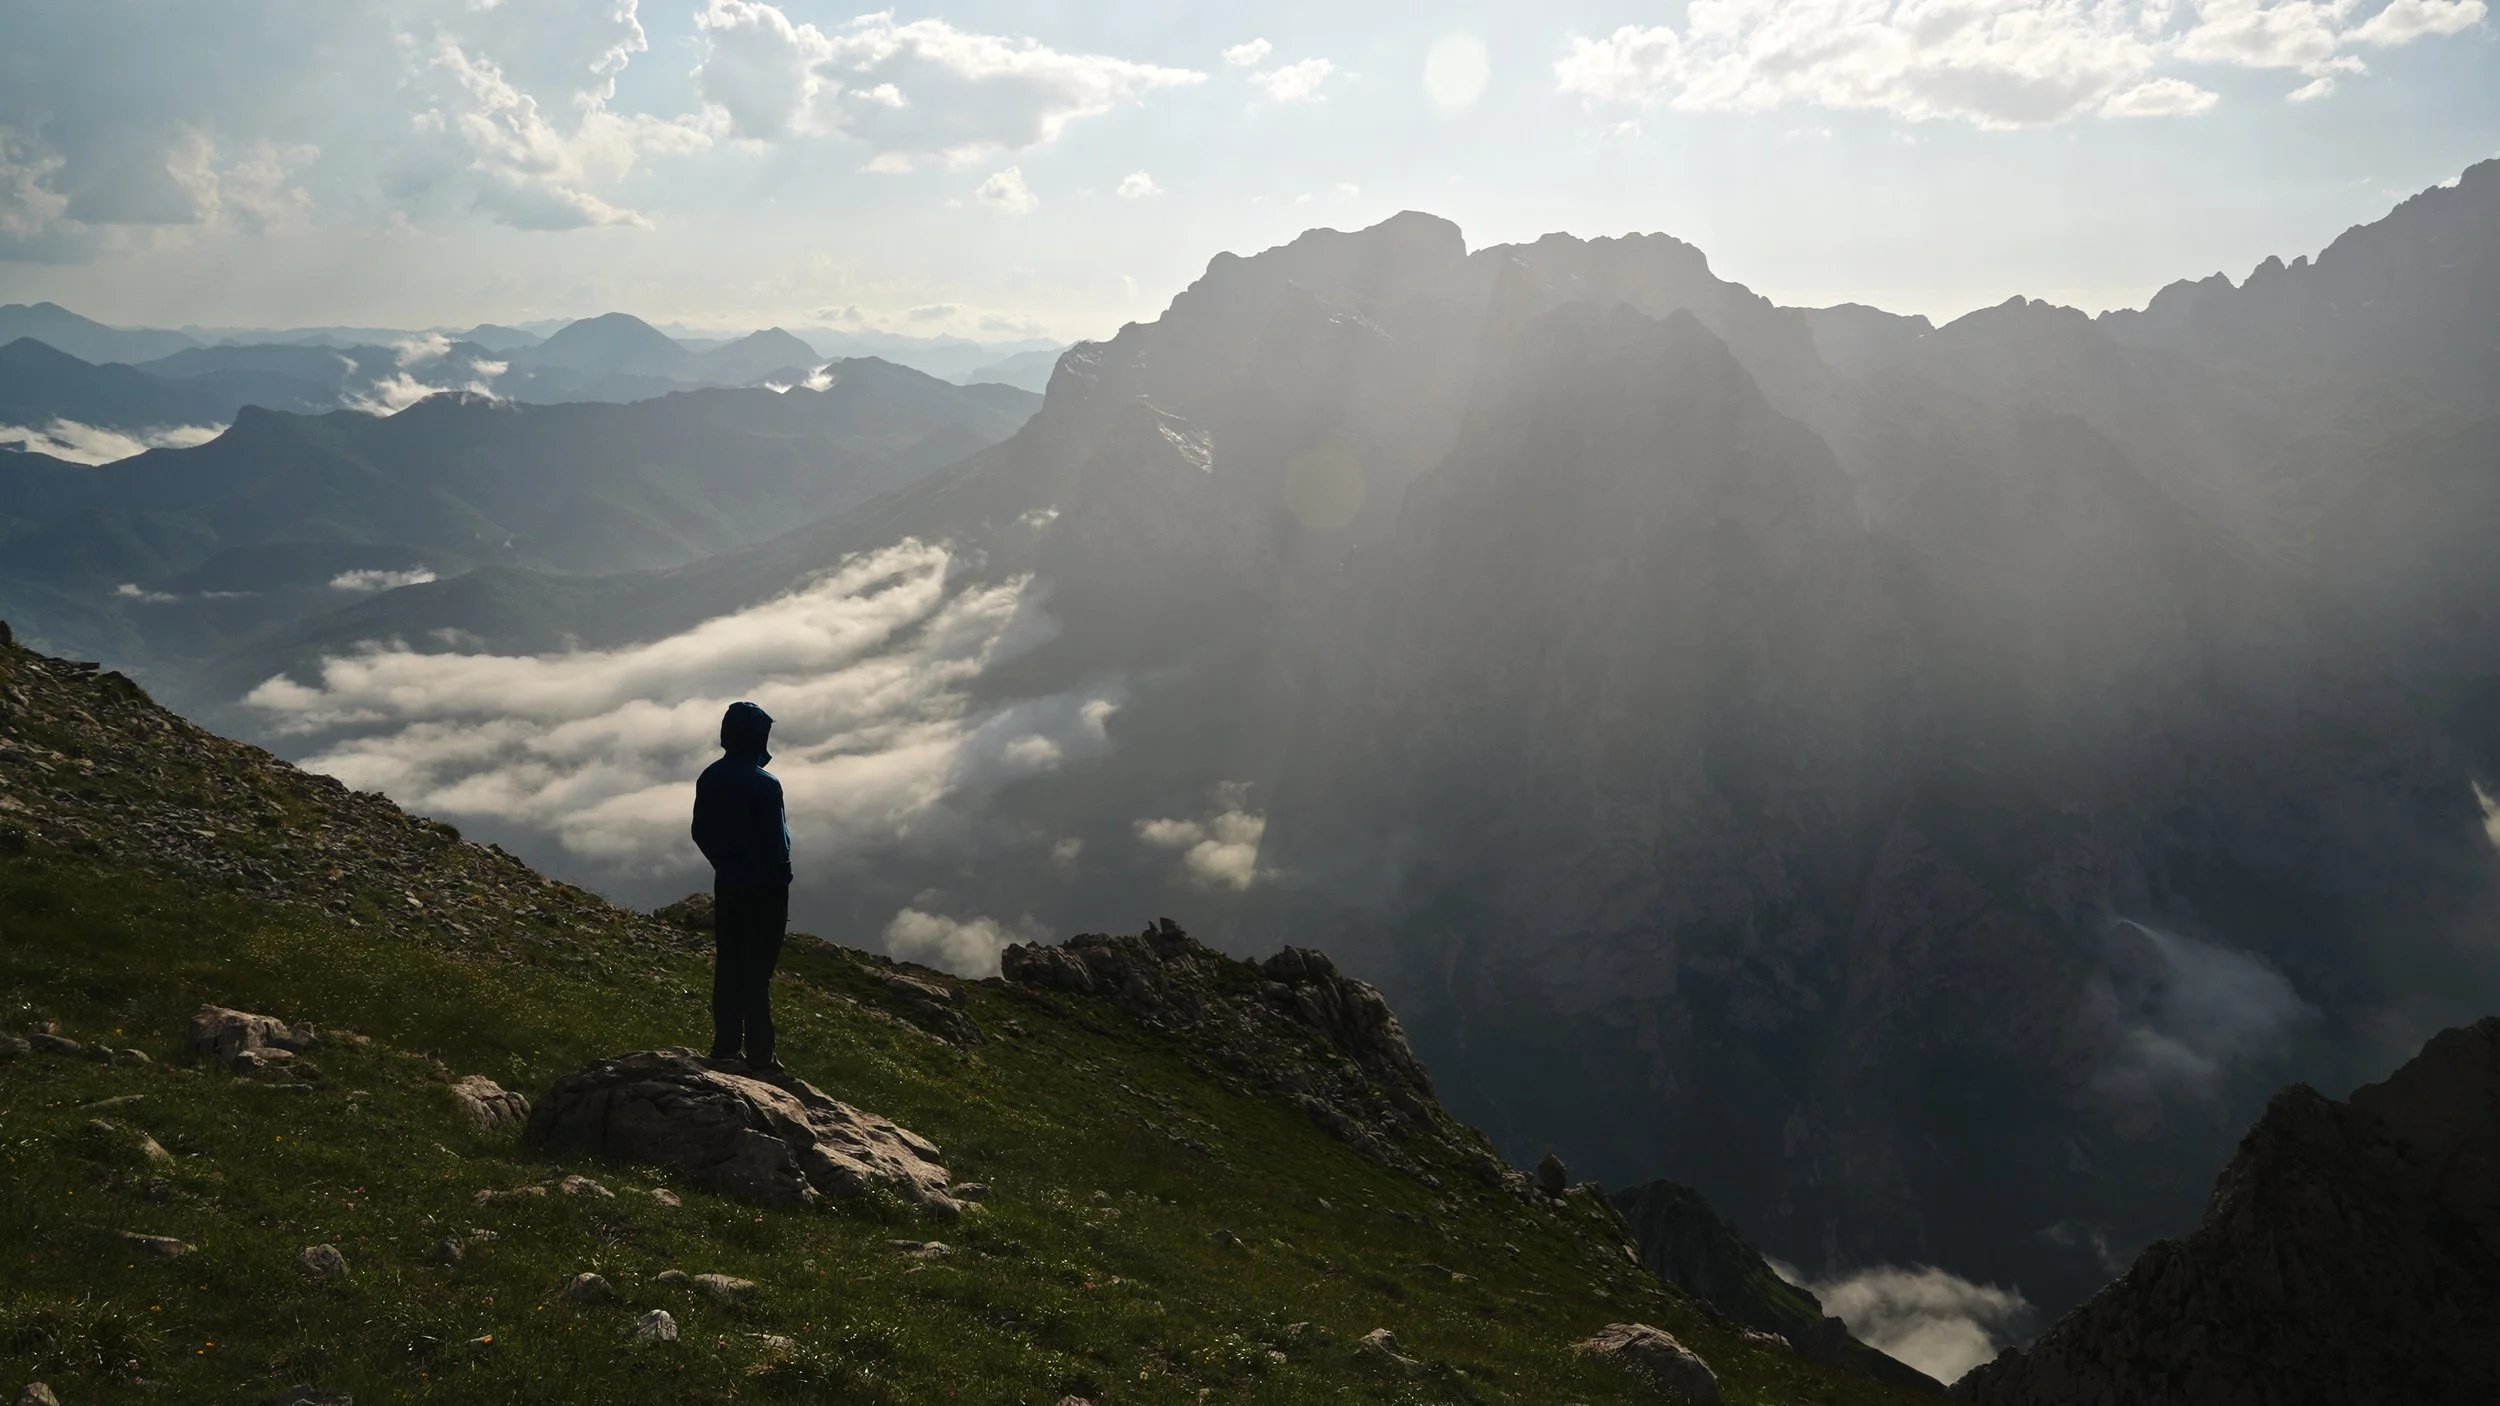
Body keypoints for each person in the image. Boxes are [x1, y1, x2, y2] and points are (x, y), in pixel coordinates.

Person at [691, 700, 792, 1073]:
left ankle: (726, 1045)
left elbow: (700, 831)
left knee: (729, 965)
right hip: (767, 890)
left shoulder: (710, 777)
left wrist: (725, 865)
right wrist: (780, 878)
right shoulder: (767, 786)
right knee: (757, 972)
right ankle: (762, 1056)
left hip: (729, 885)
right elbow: (777, 845)